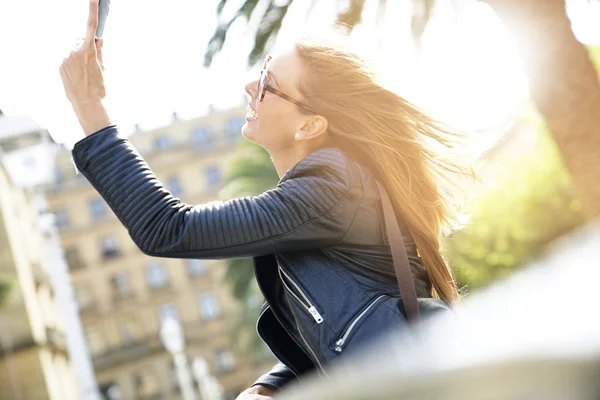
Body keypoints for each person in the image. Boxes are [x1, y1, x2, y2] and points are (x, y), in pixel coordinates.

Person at [60, 1, 475, 399]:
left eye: (268, 86)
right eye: (262, 73)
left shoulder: (331, 186)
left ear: (311, 125)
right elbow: (345, 321)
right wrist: (272, 385)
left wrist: (89, 106)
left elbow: (169, 228)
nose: (249, 86)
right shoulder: (334, 188)